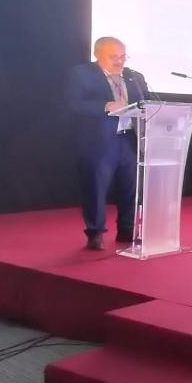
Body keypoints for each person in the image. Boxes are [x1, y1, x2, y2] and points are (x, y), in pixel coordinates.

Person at [65, 37, 148, 250]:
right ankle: (95, 232)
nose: (120, 62)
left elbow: (147, 102)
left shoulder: (134, 77)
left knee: (131, 188)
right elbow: (72, 104)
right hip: (99, 142)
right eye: (114, 57)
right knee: (96, 188)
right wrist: (104, 105)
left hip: (128, 139)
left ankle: (127, 230)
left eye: (123, 56)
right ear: (98, 55)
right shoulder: (82, 74)